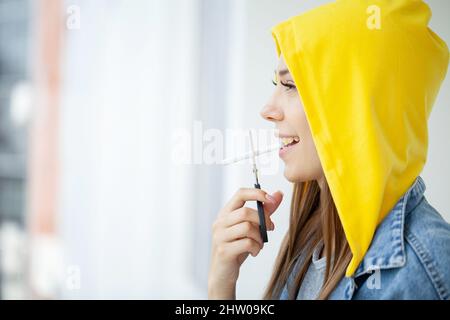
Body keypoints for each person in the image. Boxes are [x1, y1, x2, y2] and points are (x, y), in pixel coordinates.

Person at [208, 0, 450, 299]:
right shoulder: (314, 236)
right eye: (277, 83)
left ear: (355, 107)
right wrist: (221, 283)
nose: (267, 110)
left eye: (290, 85)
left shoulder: (422, 271)